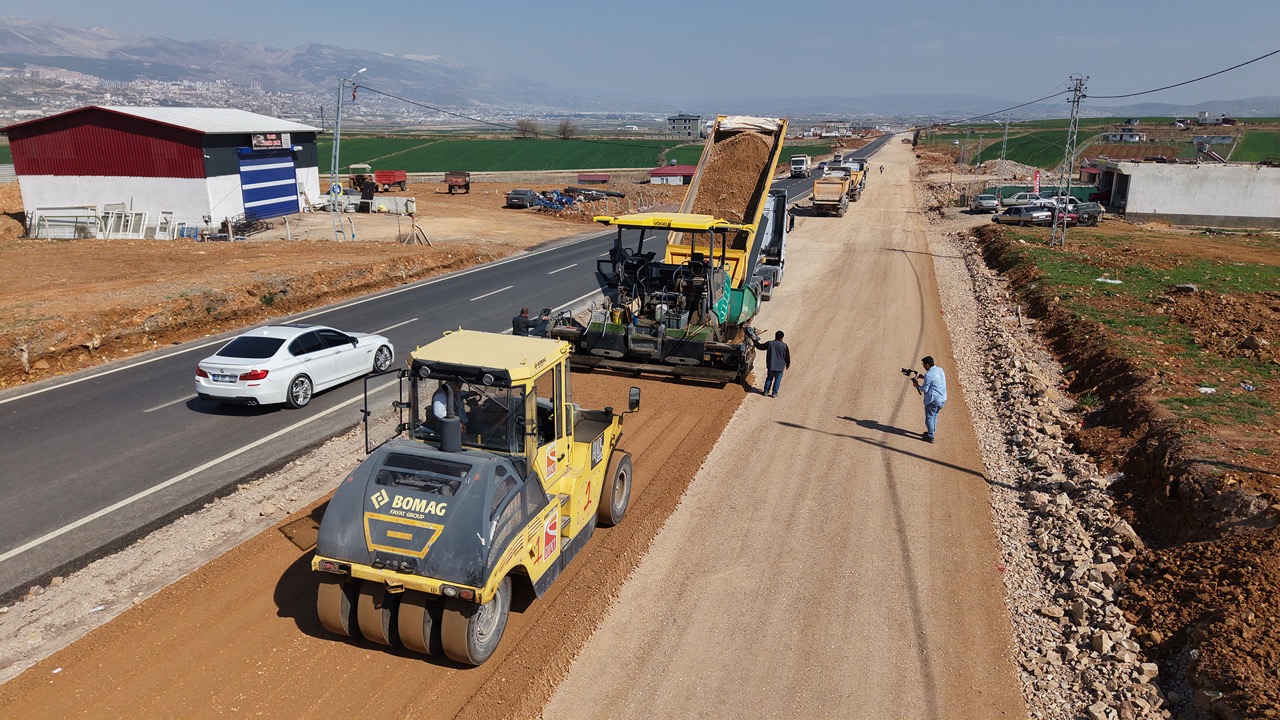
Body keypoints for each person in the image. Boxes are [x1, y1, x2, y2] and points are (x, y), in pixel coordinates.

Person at [911, 356, 947, 443]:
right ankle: (931, 433)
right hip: (942, 399)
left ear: (927, 365)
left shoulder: (928, 375)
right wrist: (924, 378)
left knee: (930, 418)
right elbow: (936, 380)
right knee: (935, 416)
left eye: (923, 364)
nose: (923, 366)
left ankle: (930, 436)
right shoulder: (940, 370)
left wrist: (917, 386)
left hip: (933, 400)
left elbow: (924, 389)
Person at [753, 330, 791, 398]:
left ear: (775, 336)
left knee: (769, 378)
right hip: (780, 367)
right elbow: (787, 356)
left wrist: (754, 340)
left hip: (771, 365)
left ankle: (766, 391)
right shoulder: (785, 346)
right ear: (782, 338)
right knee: (778, 380)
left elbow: (760, 347)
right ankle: (774, 393)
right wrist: (788, 364)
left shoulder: (770, 343)